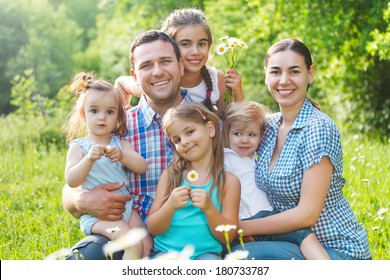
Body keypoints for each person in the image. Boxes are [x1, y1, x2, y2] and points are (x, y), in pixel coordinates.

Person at [233, 38, 371, 260]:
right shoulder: (268, 126)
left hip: (335, 249)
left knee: (240, 257)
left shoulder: (318, 128)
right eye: (276, 72)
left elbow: (307, 215)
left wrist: (242, 228)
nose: (284, 80)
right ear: (266, 75)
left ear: (310, 74)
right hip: (288, 240)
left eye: (294, 71)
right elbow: (234, 139)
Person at [62, 30, 192, 260]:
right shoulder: (117, 127)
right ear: (135, 75)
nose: (158, 71)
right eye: (146, 65)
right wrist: (79, 200)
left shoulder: (207, 122)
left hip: (190, 238)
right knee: (84, 259)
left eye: (165, 61)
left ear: (181, 66)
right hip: (127, 227)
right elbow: (72, 184)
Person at [223, 101, 330, 259]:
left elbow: (250, 119)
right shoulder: (227, 157)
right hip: (251, 218)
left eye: (251, 135)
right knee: (303, 235)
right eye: (237, 134)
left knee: (303, 236)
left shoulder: (254, 157)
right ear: (227, 134)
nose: (244, 140)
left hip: (266, 217)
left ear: (261, 137)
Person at [62, 72, 150, 259]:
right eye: (94, 111)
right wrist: (88, 160)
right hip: (98, 216)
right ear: (83, 114)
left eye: (109, 112)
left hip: (126, 210)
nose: (102, 117)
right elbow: (71, 179)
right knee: (133, 244)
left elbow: (142, 166)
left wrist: (123, 156)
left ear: (118, 116)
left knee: (146, 242)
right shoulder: (80, 147)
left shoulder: (120, 144)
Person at [147, 103, 240, 260]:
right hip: (166, 253)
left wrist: (209, 209)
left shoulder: (229, 182)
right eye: (177, 140)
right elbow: (153, 228)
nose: (184, 141)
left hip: (206, 255)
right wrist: (170, 206)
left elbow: (228, 237)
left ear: (210, 129)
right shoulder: (171, 176)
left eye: (189, 132)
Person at [115, 8, 243, 113]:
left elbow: (227, 123)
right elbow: (120, 83)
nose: (195, 52)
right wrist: (123, 114)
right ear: (171, 48)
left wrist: (237, 95)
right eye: (186, 44)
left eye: (202, 44)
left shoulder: (216, 79)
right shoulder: (161, 82)